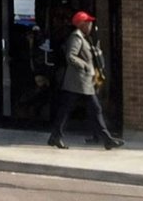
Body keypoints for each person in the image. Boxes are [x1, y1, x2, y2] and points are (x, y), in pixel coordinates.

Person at [48, 10, 124, 150]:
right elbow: (71, 56)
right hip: (79, 81)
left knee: (74, 109)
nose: (90, 25)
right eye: (88, 22)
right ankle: (106, 139)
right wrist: (85, 66)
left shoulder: (84, 38)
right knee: (93, 109)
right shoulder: (76, 37)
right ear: (81, 24)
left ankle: (56, 136)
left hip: (82, 82)